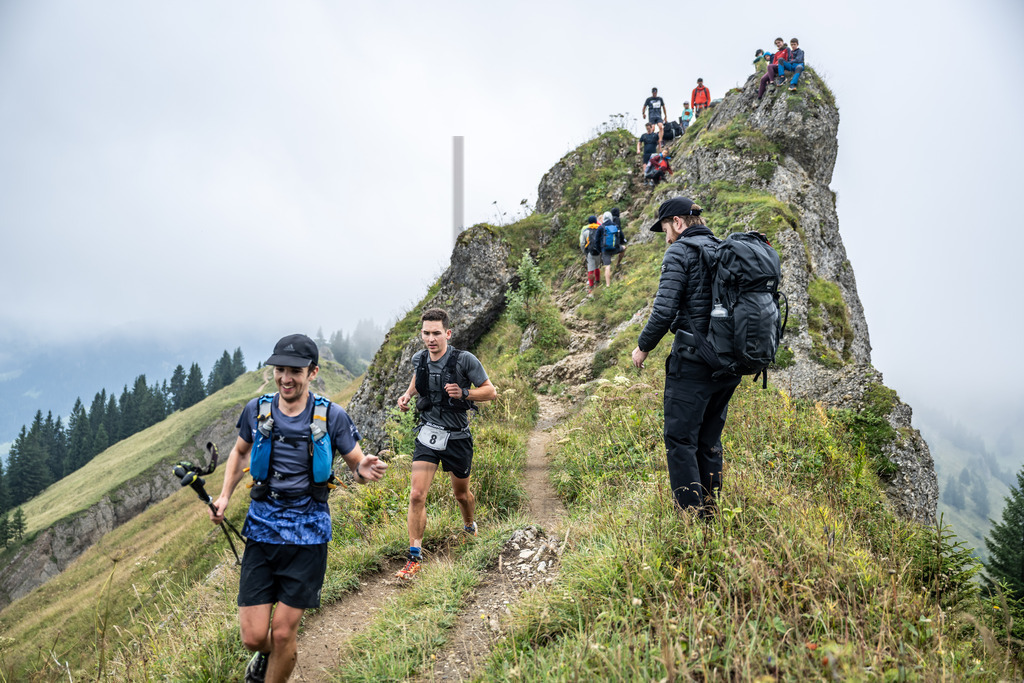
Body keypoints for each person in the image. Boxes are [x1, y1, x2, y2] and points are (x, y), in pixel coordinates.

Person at [210, 333, 387, 683]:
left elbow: (356, 461)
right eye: (280, 370)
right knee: (254, 637)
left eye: (295, 370)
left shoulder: (332, 416)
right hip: (261, 530)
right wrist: (225, 496)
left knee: (282, 633)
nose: (286, 378)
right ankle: (264, 658)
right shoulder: (256, 410)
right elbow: (240, 452)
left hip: (308, 536)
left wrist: (363, 468)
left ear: (313, 372)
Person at [631, 197, 741, 517]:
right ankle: (710, 513)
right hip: (728, 365)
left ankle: (691, 519)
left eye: (666, 229)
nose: (665, 237)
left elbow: (664, 311)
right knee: (708, 442)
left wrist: (643, 347)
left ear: (678, 223)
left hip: (693, 362)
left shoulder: (679, 251)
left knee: (680, 441)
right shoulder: (723, 250)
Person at [395, 309, 497, 580]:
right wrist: (406, 396)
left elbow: (491, 391)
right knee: (417, 495)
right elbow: (420, 377)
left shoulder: (465, 360)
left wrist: (465, 393)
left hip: (458, 436)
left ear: (447, 334)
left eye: (436, 333)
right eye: (426, 333)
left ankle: (468, 526)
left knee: (461, 495)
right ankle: (414, 558)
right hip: (428, 433)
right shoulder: (420, 359)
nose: (431, 338)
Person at [599, 210, 626, 286]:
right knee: (624, 248)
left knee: (607, 266)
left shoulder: (601, 227)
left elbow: (597, 239)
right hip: (615, 248)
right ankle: (618, 263)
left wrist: (599, 250)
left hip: (605, 250)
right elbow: (621, 236)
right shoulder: (615, 226)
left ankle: (608, 285)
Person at [580, 214, 604, 292]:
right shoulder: (600, 229)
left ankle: (591, 287)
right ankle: (597, 282)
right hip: (598, 251)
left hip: (590, 252)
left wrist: (585, 251)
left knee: (590, 269)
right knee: (597, 267)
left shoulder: (585, 231)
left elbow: (582, 243)